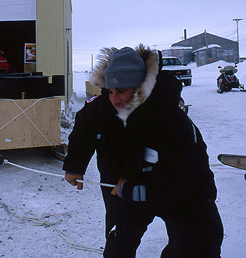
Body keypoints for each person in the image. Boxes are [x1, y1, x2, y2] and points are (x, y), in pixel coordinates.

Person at [63, 45, 223, 258]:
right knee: (119, 246)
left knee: (198, 242)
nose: (114, 99)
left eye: (121, 91)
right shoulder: (104, 107)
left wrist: (129, 190)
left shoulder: (173, 121)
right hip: (122, 183)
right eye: (110, 91)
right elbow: (84, 127)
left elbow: (179, 183)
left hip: (181, 192)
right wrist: (75, 165)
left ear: (140, 88)